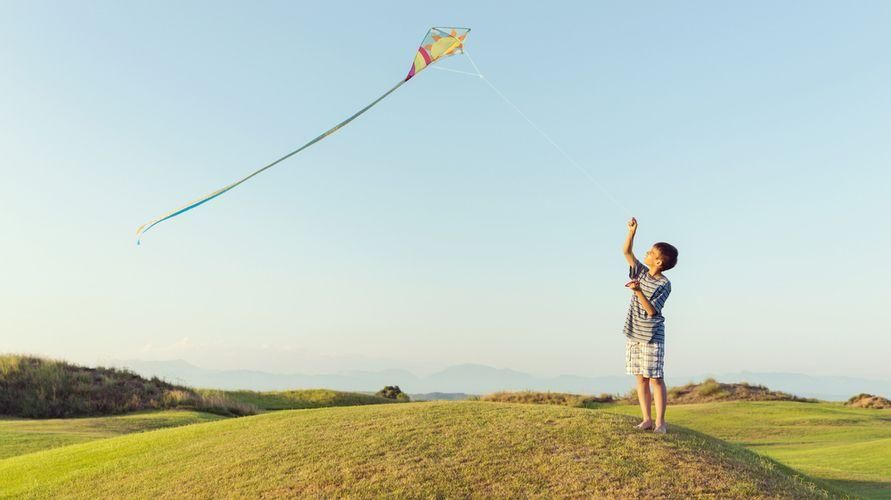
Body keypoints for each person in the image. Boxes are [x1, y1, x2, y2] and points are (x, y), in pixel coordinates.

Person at [622, 217, 678, 434]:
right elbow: (627, 253)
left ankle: (660, 423)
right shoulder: (640, 271)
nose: (645, 254)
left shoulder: (665, 284)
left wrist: (637, 291)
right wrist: (632, 232)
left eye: (650, 253)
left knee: (656, 378)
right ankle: (646, 419)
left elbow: (652, 310)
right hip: (635, 331)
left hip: (652, 335)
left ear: (659, 262)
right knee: (640, 377)